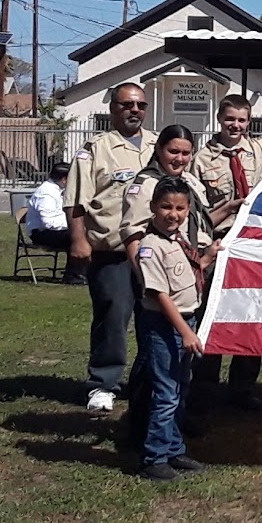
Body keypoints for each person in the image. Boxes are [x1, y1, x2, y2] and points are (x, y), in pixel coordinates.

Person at [66, 82, 167, 413]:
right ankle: (103, 384)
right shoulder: (96, 149)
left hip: (154, 251)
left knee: (154, 318)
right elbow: (76, 200)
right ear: (113, 109)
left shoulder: (158, 145)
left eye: (140, 105)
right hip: (113, 253)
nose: (134, 110)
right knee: (112, 317)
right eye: (127, 105)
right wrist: (79, 240)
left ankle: (147, 381)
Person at [132, 176, 221, 482]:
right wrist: (185, 331)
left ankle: (173, 448)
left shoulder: (180, 241)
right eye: (166, 207)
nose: (173, 214)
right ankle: (154, 458)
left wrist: (209, 257)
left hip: (187, 320)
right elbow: (159, 294)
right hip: (165, 325)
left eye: (180, 208)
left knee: (181, 389)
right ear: (153, 208)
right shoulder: (150, 246)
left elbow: (189, 274)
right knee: (166, 393)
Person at [190, 95, 262, 410]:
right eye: (229, 119)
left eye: (241, 120)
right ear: (219, 118)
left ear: (248, 122)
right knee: (211, 315)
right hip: (219, 242)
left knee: (250, 316)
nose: (235, 126)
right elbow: (196, 214)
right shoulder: (201, 160)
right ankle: (205, 386)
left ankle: (243, 388)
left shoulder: (261, 150)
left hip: (253, 245)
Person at [24, 162, 84, 284]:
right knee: (77, 236)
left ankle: (82, 272)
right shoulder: (46, 193)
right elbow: (49, 222)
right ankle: (74, 275)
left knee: (84, 233)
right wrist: (74, 225)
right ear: (64, 179)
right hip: (41, 234)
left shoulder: (57, 191)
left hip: (53, 231)